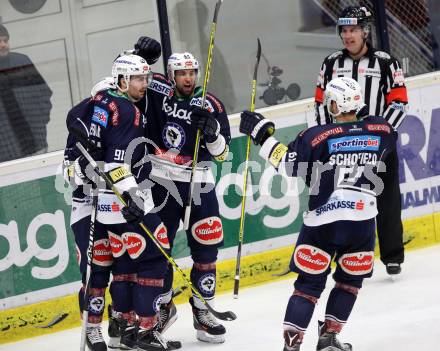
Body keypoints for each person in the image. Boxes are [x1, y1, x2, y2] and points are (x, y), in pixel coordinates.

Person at [239, 77, 398, 351]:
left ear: (336, 104)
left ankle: (293, 345)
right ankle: (329, 338)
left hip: (322, 224)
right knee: (349, 283)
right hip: (361, 223)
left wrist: (262, 138)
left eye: (330, 102)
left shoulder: (316, 136)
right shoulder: (382, 130)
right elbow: (379, 134)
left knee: (307, 287)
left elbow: (289, 166)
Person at [69, 53, 178, 351]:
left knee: (123, 267)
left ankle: (123, 327)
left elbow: (109, 159)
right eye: (140, 79)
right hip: (96, 205)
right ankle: (128, 329)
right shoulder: (123, 110)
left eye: (146, 78)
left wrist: (94, 168)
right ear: (120, 81)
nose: (145, 84)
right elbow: (92, 165)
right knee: (107, 268)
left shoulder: (101, 110)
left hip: (108, 202)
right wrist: (84, 170)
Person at [140, 51, 231, 344]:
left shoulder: (211, 104)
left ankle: (202, 311)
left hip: (198, 181)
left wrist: (213, 134)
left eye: (192, 72)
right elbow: (126, 80)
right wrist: (135, 54)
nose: (188, 78)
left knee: (206, 247)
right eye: (181, 73)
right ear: (171, 75)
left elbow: (223, 154)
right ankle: (164, 307)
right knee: (159, 249)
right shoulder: (156, 91)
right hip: (162, 181)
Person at [313, 6, 408, 275]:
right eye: (344, 30)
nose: (347, 35)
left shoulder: (387, 62)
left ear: (365, 31)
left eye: (353, 29)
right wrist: (325, 137)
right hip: (341, 145)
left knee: (387, 199)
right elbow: (320, 104)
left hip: (377, 146)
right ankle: (344, 255)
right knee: (340, 199)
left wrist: (381, 134)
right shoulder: (331, 63)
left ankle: (392, 255)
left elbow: (399, 103)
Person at [0, 24, 52, 163]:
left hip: (35, 142)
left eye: (5, 40)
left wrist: (41, 121)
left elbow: (44, 92)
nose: (3, 44)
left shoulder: (21, 61)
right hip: (5, 153)